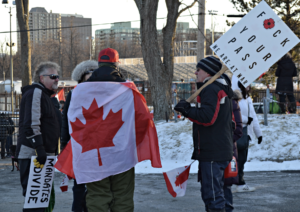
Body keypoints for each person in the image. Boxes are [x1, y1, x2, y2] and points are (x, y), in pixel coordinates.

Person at [175, 56, 234, 212]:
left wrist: (186, 110)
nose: (195, 72)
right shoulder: (219, 88)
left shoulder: (211, 89)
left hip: (213, 152)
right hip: (219, 149)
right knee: (221, 194)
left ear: (207, 72)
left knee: (213, 196)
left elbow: (208, 118)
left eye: (198, 70)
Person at [82, 48, 134, 212]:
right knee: (122, 197)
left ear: (98, 64)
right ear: (117, 64)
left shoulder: (80, 92)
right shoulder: (129, 90)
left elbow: (69, 122)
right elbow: (141, 120)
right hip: (122, 151)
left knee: (97, 196)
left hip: (92, 152)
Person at [16, 61, 60, 212]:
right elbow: (31, 124)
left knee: (41, 202)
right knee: (35, 203)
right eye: (53, 76)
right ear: (42, 78)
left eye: (58, 76)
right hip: (34, 156)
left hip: (42, 156)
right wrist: (39, 148)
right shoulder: (36, 92)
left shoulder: (47, 96)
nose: (57, 79)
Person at [60, 60, 98, 212]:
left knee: (97, 184)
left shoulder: (104, 94)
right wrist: (64, 144)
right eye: (88, 79)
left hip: (99, 145)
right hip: (79, 144)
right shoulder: (74, 94)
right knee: (79, 183)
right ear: (82, 80)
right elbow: (65, 120)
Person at [232, 75, 263, 192]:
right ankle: (238, 181)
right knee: (236, 160)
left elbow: (253, 117)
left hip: (246, 134)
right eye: (247, 83)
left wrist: (258, 134)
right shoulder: (233, 98)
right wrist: (246, 120)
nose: (249, 86)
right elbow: (233, 114)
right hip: (237, 132)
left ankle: (239, 180)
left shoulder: (248, 99)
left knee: (242, 159)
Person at [223, 71, 243, 212]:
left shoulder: (231, 102)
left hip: (227, 150)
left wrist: (225, 142)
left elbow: (238, 130)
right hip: (214, 151)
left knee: (225, 186)